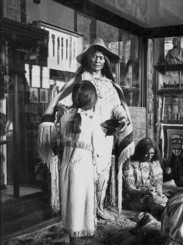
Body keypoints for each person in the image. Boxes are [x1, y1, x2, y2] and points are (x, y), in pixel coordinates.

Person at [39, 38, 134, 220]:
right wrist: (62, 109)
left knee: (103, 170)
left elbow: (116, 106)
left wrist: (122, 117)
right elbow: (64, 101)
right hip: (82, 133)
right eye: (94, 56)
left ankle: (98, 207)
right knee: (84, 172)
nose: (98, 60)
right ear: (88, 59)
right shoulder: (79, 80)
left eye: (101, 57)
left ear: (105, 61)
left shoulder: (110, 84)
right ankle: (83, 212)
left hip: (104, 133)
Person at [58, 81, 104, 245]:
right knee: (79, 204)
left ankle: (73, 241)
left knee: (70, 204)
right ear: (92, 100)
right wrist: (99, 170)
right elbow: (98, 149)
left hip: (66, 166)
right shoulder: (93, 122)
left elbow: (60, 141)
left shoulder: (64, 119)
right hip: (82, 168)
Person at [122, 138, 167, 221]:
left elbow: (158, 183)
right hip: (135, 200)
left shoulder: (155, 163)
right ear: (141, 151)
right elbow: (129, 189)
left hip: (152, 198)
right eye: (147, 153)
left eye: (152, 153)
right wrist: (145, 192)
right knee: (159, 209)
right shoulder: (130, 164)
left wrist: (159, 193)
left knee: (168, 205)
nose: (150, 156)